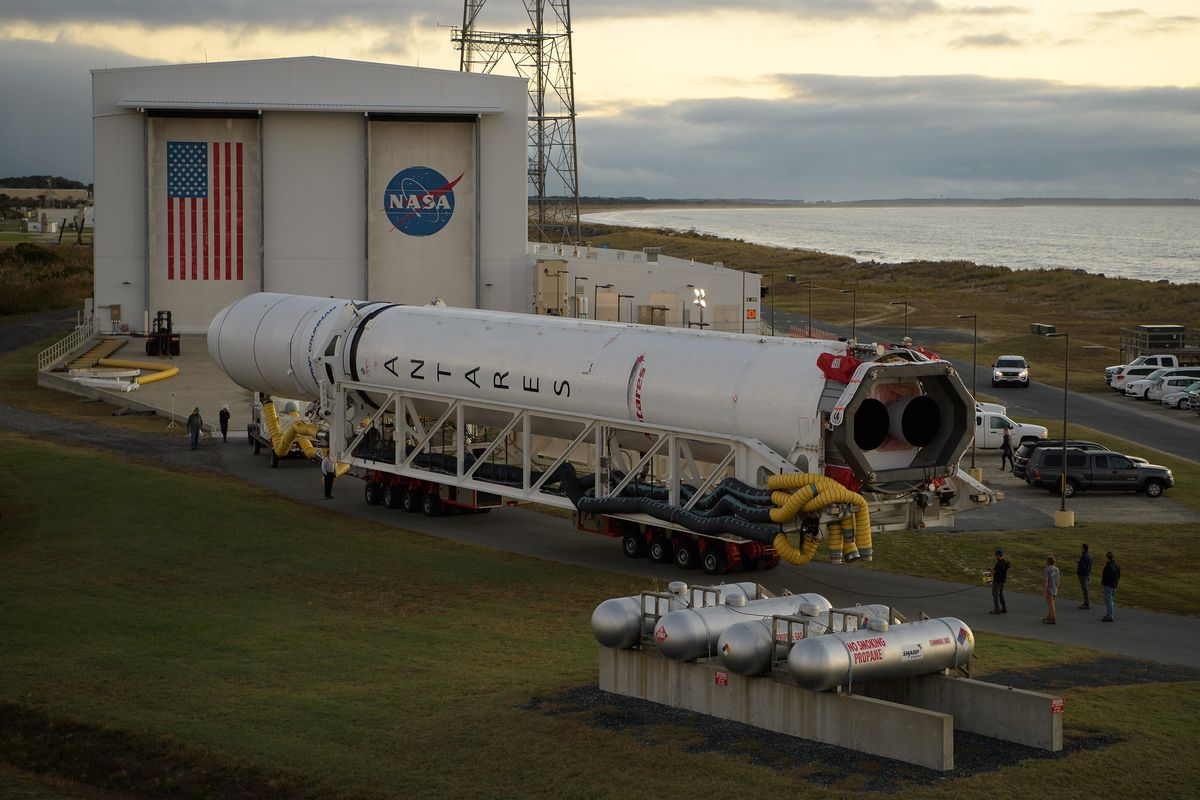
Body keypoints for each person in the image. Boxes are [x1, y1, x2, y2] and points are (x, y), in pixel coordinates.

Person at [1101, 551, 1121, 622]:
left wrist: (1103, 582)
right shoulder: (1117, 566)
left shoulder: (1109, 566)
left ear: (1107, 558)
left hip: (1108, 585)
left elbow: (1106, 576)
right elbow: (1118, 575)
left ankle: (1109, 616)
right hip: (1114, 585)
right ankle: (1109, 614)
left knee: (1108, 601)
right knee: (1110, 600)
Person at [989, 548, 1010, 614]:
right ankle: (1004, 608)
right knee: (1001, 594)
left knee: (995, 594)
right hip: (1002, 581)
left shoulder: (999, 563)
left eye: (996, 556)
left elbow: (994, 572)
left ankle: (997, 609)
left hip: (997, 581)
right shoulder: (1005, 562)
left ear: (998, 555)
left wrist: (989, 568)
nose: (996, 557)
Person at [1043, 555, 1061, 624]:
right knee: (1051, 604)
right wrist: (1057, 588)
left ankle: (1052, 618)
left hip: (1049, 589)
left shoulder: (1047, 569)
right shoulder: (1056, 569)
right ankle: (1049, 616)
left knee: (1051, 605)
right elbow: (1058, 580)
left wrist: (1045, 590)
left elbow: (1046, 580)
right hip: (1054, 589)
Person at [1076, 543, 1093, 609]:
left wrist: (1079, 565)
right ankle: (1086, 602)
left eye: (1081, 548)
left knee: (1085, 589)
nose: (1081, 549)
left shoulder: (1084, 556)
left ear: (1083, 548)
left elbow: (1083, 566)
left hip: (1083, 575)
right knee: (1085, 589)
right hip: (1088, 573)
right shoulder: (1090, 555)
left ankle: (1086, 603)